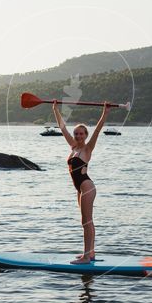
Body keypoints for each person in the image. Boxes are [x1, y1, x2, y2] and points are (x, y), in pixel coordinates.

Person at [52, 100, 112, 264]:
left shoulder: (87, 149)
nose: (78, 136)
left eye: (81, 134)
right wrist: (55, 109)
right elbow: (62, 128)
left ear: (85, 135)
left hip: (87, 186)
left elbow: (98, 130)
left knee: (87, 221)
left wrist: (105, 113)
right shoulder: (73, 147)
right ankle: (90, 253)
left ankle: (86, 257)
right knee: (85, 221)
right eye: (76, 133)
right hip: (79, 189)